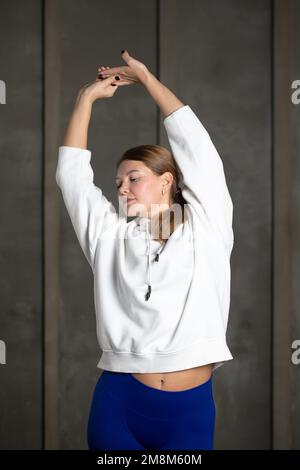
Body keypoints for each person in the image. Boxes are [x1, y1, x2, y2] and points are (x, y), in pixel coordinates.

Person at [56, 50, 234, 450]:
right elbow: (72, 179)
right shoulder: (109, 237)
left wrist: (148, 81)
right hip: (119, 403)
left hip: (187, 411)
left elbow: (197, 149)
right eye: (118, 180)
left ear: (166, 181)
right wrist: (85, 100)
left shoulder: (208, 226)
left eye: (133, 178)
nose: (121, 188)